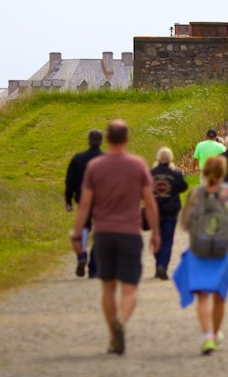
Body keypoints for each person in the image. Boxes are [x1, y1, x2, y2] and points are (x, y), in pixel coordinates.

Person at [72, 119, 160, 356]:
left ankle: (113, 337)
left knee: (108, 288)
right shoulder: (138, 165)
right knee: (130, 289)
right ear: (127, 139)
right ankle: (121, 320)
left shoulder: (95, 167)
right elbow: (149, 203)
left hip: (103, 233)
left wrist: (76, 233)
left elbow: (85, 205)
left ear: (107, 139)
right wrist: (156, 233)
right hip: (130, 233)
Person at [173, 156, 228, 355]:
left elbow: (185, 221)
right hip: (223, 249)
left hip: (199, 248)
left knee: (202, 295)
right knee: (219, 295)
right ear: (223, 173)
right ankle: (216, 332)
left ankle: (207, 336)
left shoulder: (196, 194)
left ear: (204, 173)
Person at [65, 129, 103, 278]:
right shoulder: (105, 159)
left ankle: (82, 256)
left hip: (83, 198)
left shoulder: (78, 159)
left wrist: (68, 200)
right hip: (101, 200)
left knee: (84, 228)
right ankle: (94, 266)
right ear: (101, 141)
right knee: (100, 230)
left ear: (89, 141)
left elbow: (70, 181)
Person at [151, 147, 188, 280]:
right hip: (170, 210)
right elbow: (184, 186)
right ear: (171, 159)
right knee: (167, 240)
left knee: (156, 238)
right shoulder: (175, 174)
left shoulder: (152, 173)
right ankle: (162, 265)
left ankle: (158, 263)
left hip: (155, 210)